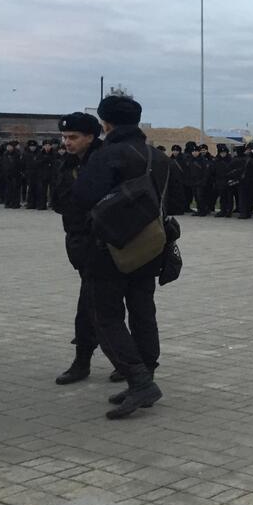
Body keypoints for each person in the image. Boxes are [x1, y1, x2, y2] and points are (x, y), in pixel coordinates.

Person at [71, 96, 168, 419]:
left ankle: (140, 381)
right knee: (143, 311)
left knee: (106, 317)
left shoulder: (107, 155)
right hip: (150, 247)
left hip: (109, 249)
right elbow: (176, 199)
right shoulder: (157, 156)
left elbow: (82, 198)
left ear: (105, 124)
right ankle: (146, 374)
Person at [53, 112, 109, 386]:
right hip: (77, 241)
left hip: (100, 242)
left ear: (90, 137)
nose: (67, 142)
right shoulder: (68, 162)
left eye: (73, 137)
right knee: (101, 302)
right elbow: (60, 200)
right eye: (64, 137)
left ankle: (83, 360)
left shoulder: (103, 162)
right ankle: (125, 360)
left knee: (90, 303)